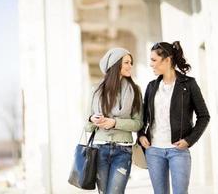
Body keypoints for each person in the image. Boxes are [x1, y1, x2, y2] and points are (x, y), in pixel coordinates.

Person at [137, 41, 210, 194]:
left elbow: (204, 116)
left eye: (154, 60)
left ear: (168, 60)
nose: (151, 64)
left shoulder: (189, 84)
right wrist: (141, 135)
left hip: (178, 150)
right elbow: (143, 117)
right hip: (154, 150)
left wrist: (189, 140)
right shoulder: (151, 86)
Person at [85, 47, 143, 194]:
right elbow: (87, 126)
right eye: (127, 62)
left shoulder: (135, 90)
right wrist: (93, 119)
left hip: (122, 150)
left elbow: (138, 123)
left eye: (131, 62)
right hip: (99, 149)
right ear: (116, 64)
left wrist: (114, 123)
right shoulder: (96, 90)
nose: (130, 66)